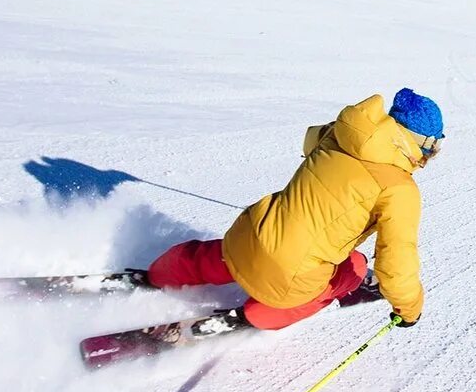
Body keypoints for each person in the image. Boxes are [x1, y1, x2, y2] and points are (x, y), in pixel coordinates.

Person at [145, 89, 442, 330]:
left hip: (250, 232)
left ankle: (157, 275)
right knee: (354, 269)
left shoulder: (340, 136)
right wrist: (409, 308)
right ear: (419, 144)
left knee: (222, 256)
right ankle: (253, 316)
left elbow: (310, 139)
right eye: (434, 146)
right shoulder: (399, 190)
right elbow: (396, 261)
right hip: (289, 276)